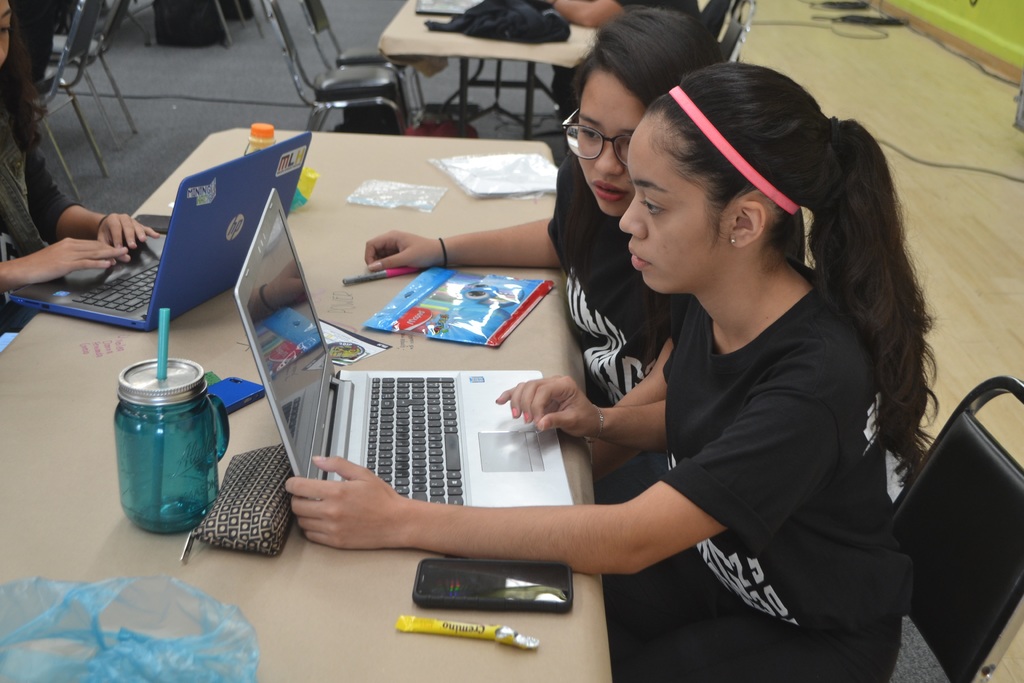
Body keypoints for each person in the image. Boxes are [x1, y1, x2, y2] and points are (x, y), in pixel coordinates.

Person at [287, 61, 937, 681]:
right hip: (722, 565)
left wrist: (400, 517)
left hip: (809, 631)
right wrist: (600, 419)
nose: (627, 221)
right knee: (510, 604)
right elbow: (699, 416)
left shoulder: (813, 382)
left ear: (743, 222)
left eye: (654, 204)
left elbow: (629, 538)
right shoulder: (715, 294)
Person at [365, 8, 723, 492]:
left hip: (648, 453)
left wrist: (552, 488)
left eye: (631, 142)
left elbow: (655, 412)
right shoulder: (588, 176)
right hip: (588, 418)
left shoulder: (692, 254)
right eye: (589, 132)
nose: (605, 165)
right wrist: (440, 249)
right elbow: (562, 238)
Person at [0, 0, 159, 296]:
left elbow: (44, 203)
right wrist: (19, 269)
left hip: (24, 298)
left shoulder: (6, 100)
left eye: (3, 29)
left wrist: (101, 224)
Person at [538, 0, 702, 117]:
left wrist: (552, 2)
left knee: (576, 74)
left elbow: (590, 15)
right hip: (666, 58)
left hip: (670, 74)